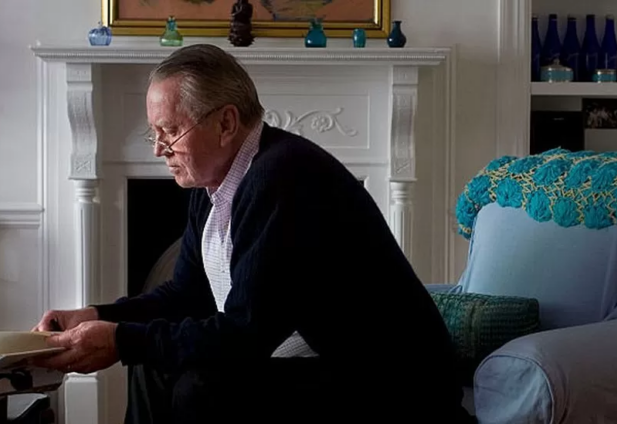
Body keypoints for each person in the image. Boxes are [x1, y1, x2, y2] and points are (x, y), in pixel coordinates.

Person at [32, 44, 472, 424]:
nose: (159, 149)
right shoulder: (211, 183)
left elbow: (245, 334)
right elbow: (186, 295)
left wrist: (120, 340)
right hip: (320, 362)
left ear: (226, 124)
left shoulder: (283, 177)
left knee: (199, 387)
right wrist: (96, 315)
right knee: (150, 362)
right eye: (155, 132)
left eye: (171, 131)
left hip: (391, 383)